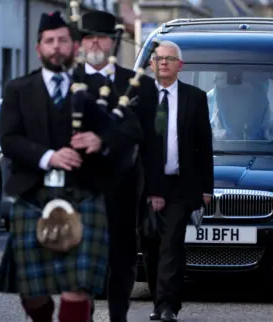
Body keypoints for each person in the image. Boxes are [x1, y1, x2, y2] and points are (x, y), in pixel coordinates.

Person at [0, 12, 142, 322]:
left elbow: (130, 129)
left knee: (78, 287)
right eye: (49, 41)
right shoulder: (19, 89)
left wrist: (101, 138)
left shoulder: (94, 87)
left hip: (85, 192)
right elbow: (9, 139)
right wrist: (48, 156)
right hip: (33, 193)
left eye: (63, 40)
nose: (56, 47)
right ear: (39, 48)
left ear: (74, 47)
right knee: (32, 293)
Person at [78, 10, 157, 322]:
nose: (95, 43)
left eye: (102, 37)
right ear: (81, 42)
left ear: (114, 42)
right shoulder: (68, 83)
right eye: (88, 37)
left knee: (122, 260)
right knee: (81, 261)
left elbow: (149, 141)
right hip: (79, 187)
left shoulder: (138, 86)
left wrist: (156, 190)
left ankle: (117, 317)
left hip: (124, 187)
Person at [141, 40, 214, 322]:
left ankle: (168, 306)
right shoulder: (139, 95)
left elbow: (203, 146)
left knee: (171, 243)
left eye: (169, 59)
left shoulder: (194, 98)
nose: (163, 63)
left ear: (179, 65)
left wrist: (207, 188)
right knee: (149, 243)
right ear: (151, 64)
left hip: (178, 185)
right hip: (146, 187)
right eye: (158, 59)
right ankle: (157, 298)